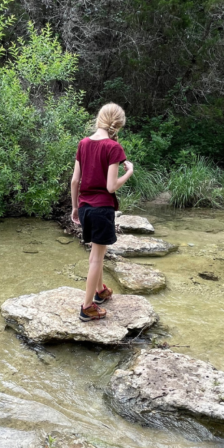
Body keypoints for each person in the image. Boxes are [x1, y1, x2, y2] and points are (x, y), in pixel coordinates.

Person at [71, 103, 134, 321]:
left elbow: (75, 180)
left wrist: (75, 207)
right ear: (118, 124)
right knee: (97, 257)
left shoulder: (83, 143)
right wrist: (130, 172)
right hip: (101, 208)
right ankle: (87, 307)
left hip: (86, 207)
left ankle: (100, 293)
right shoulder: (113, 148)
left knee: (95, 252)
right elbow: (111, 186)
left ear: (99, 119)